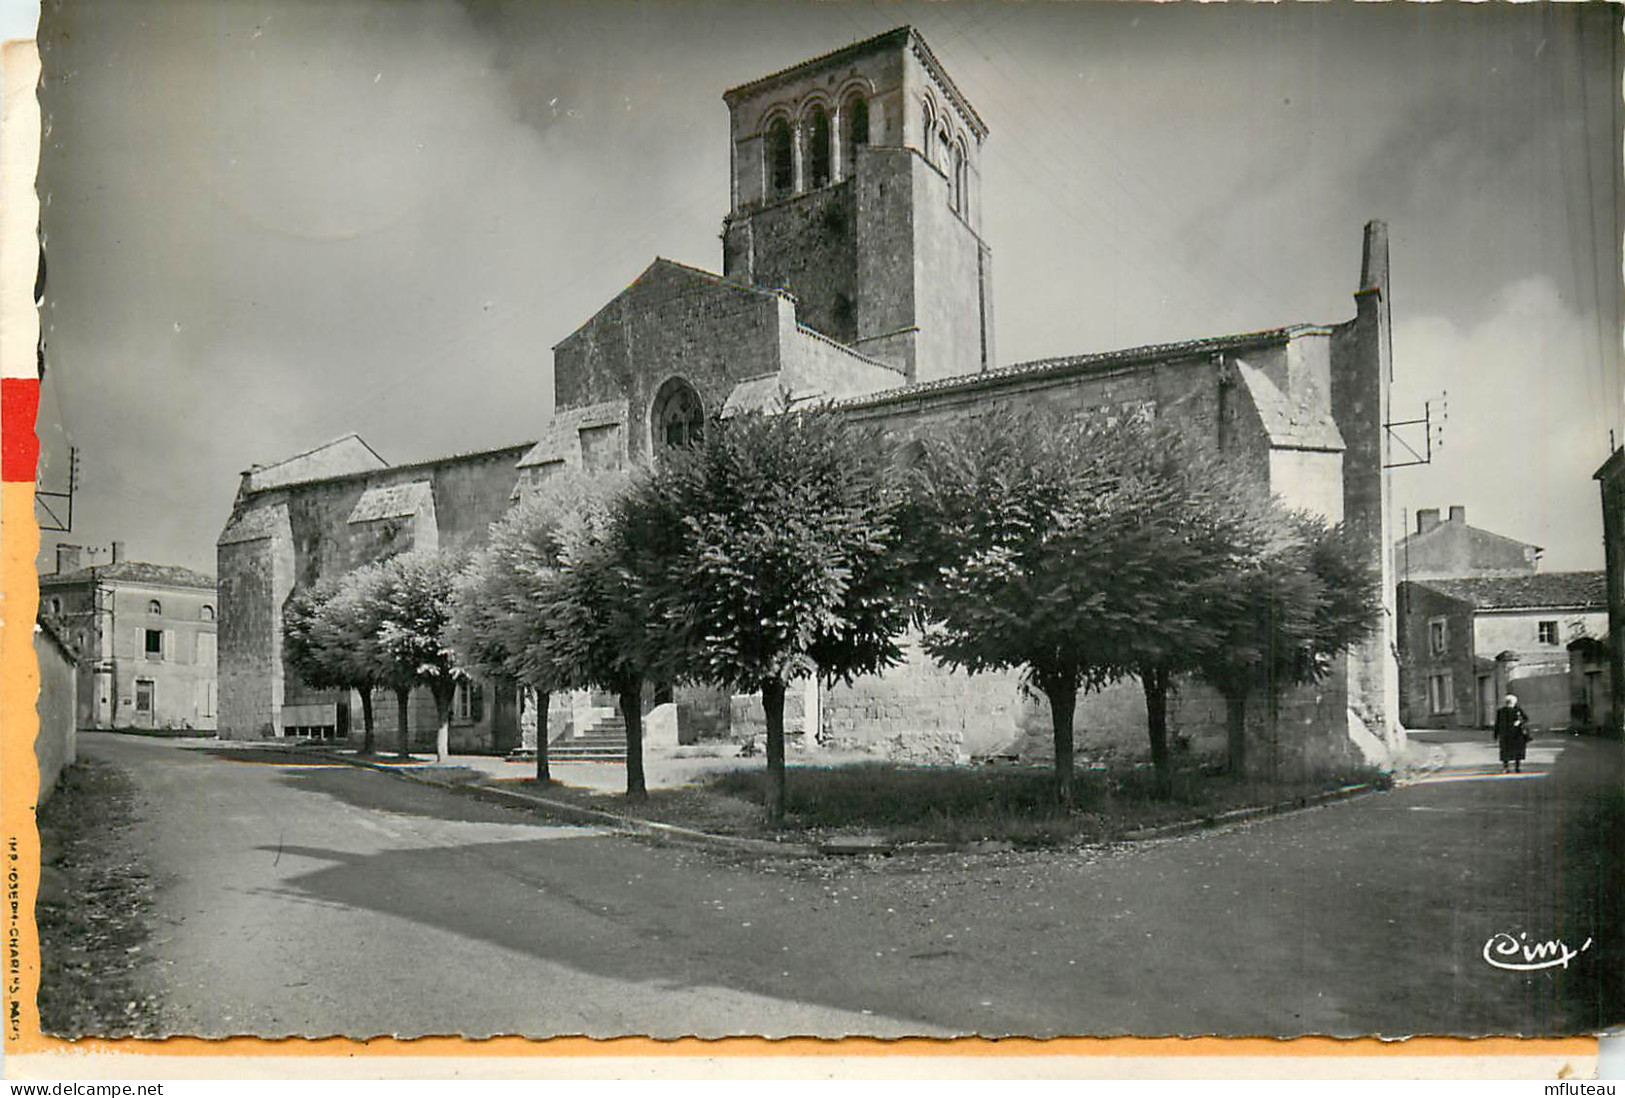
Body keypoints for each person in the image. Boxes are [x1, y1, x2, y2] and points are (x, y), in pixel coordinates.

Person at [1493, 694, 1531, 773]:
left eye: (1510, 702)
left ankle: (1510, 767)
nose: (1509, 703)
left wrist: (1496, 735)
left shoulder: (1517, 710)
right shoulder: (1504, 711)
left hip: (1514, 734)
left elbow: (1525, 718)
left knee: (1512, 751)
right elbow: (1497, 723)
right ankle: (1512, 767)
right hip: (1511, 734)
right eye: (1508, 702)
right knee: (1510, 751)